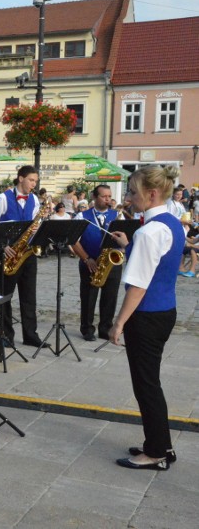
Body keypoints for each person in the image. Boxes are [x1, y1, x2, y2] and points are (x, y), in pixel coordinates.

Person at [108, 165, 184, 470]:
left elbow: (138, 286)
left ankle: (155, 453)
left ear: (151, 194)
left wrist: (118, 322)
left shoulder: (149, 231)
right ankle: (161, 443)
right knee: (150, 382)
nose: (128, 197)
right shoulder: (171, 223)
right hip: (165, 309)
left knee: (146, 385)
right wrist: (131, 246)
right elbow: (160, 262)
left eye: (132, 192)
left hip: (147, 315)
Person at [0, 165, 49, 349]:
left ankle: (31, 335)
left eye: (35, 181)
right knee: (5, 296)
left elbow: (35, 221)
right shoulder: (3, 198)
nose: (34, 184)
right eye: (31, 180)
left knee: (29, 297)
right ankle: (6, 334)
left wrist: (38, 228)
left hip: (27, 252)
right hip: (10, 252)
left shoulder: (35, 199)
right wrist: (4, 246)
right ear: (21, 178)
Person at [70, 185, 122, 342]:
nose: (107, 199)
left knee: (110, 297)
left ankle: (105, 328)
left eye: (109, 196)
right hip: (90, 262)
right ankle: (87, 329)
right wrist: (86, 258)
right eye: (104, 196)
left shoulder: (117, 215)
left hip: (111, 262)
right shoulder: (82, 216)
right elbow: (73, 240)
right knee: (88, 297)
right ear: (94, 197)